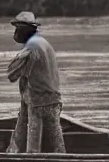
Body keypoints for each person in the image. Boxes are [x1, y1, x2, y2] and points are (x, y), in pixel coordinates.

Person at [5, 11, 66, 154]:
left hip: (38, 104)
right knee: (57, 146)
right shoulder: (45, 44)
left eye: (18, 29)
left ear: (24, 30)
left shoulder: (30, 48)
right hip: (54, 101)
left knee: (33, 148)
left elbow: (11, 74)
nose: (15, 33)